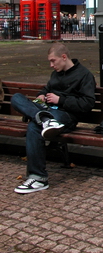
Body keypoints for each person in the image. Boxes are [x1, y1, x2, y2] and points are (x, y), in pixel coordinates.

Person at [11, 42, 96, 194]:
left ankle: (38, 178)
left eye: (53, 61)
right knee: (16, 98)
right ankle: (44, 119)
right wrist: (41, 96)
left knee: (34, 126)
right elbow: (46, 89)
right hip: (48, 110)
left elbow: (87, 104)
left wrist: (60, 100)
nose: (51, 65)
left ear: (63, 57)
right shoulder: (56, 74)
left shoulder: (84, 75)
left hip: (65, 116)